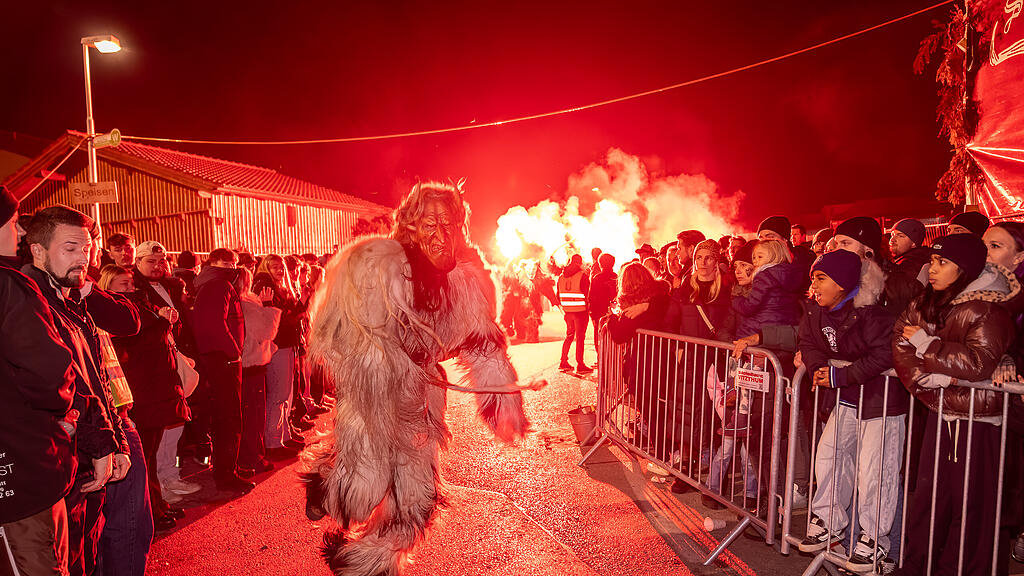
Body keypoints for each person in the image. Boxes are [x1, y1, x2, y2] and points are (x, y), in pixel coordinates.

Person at [302, 181, 535, 576]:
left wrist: (503, 401)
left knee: (417, 499)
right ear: (410, 225)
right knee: (365, 482)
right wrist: (382, 361)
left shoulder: (467, 282)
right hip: (374, 392)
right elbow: (334, 331)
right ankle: (327, 479)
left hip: (422, 399)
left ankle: (367, 564)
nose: (441, 235)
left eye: (449, 225)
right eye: (430, 224)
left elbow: (485, 344)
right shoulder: (374, 263)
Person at [23, 205, 141, 576]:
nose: (82, 258)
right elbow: (61, 385)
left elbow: (97, 379)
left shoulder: (72, 299)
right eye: (70, 248)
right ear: (38, 250)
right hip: (61, 462)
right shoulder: (29, 305)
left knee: (88, 554)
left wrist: (116, 441)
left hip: (91, 455)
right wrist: (103, 443)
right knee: (69, 560)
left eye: (87, 249)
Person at [892, 234, 1016, 576]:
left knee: (971, 506)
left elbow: (978, 363)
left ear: (964, 269)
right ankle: (918, 566)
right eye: (933, 261)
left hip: (978, 419)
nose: (932, 268)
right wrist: (926, 380)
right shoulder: (927, 300)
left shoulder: (987, 308)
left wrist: (927, 346)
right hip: (941, 411)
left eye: (942, 262)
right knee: (930, 500)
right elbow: (900, 340)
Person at [795, 250, 908, 573]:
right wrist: (819, 369)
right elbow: (808, 342)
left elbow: (885, 355)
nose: (814, 285)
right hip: (846, 400)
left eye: (821, 278)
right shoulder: (816, 312)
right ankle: (828, 521)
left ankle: (875, 539)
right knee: (828, 457)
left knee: (876, 472)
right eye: (813, 278)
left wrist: (839, 376)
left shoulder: (873, 316)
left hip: (881, 403)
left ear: (843, 283)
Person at [0, 188, 78, 576]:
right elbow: (48, 370)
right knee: (37, 562)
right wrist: (65, 409)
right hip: (21, 468)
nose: (18, 232)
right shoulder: (8, 285)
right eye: (13, 222)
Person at [100, 264, 190, 532]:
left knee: (149, 454)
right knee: (144, 456)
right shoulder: (115, 312)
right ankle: (151, 511)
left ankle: (157, 504)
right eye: (123, 284)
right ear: (108, 287)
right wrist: (162, 321)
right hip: (140, 387)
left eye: (131, 283)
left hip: (155, 385)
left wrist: (167, 320)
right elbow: (139, 342)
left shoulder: (141, 303)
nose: (130, 288)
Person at [191, 248, 253, 493]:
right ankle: (226, 473)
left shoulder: (211, 283)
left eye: (234, 263)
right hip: (223, 359)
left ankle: (228, 467)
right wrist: (233, 351)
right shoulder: (218, 284)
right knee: (229, 418)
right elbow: (212, 324)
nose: (232, 267)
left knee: (226, 416)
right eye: (227, 263)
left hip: (219, 358)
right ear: (214, 263)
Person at [253, 253, 311, 457]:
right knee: (278, 394)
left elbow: (292, 315)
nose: (279, 270)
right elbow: (277, 320)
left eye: (281, 266)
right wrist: (295, 312)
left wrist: (301, 302)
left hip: (287, 344)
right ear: (266, 268)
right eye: (274, 266)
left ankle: (283, 436)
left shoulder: (282, 288)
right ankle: (273, 442)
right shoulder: (265, 286)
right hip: (278, 345)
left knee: (286, 394)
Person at [235, 266, 280, 477]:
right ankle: (253, 457)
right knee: (253, 415)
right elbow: (266, 331)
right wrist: (269, 306)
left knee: (250, 414)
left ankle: (252, 455)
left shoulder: (243, 301)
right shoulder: (246, 304)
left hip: (247, 362)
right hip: (252, 363)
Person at [557, 253, 592, 374]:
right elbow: (587, 294)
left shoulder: (561, 277)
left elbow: (558, 295)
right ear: (579, 263)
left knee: (569, 335)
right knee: (580, 337)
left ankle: (563, 361)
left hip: (568, 312)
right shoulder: (582, 275)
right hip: (580, 311)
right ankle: (580, 364)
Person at [589, 252, 618, 353]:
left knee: (599, 336)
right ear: (613, 264)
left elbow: (591, 297)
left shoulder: (597, 278)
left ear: (600, 264)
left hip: (599, 314)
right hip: (614, 312)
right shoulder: (617, 277)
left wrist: (592, 314)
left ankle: (600, 356)